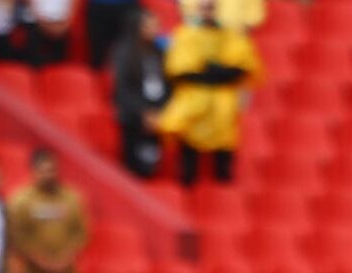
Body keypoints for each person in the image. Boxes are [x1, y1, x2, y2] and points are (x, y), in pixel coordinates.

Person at [159, 0, 262, 186]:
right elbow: (181, 70)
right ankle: (187, 190)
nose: (208, 12)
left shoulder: (229, 36)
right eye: (204, 7)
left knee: (224, 153)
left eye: (211, 7)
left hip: (222, 104)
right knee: (189, 153)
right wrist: (217, 72)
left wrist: (208, 70)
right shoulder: (186, 35)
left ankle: (223, 193)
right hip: (194, 101)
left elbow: (240, 67)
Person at [8, 150, 88, 273]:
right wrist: (46, 265)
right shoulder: (21, 201)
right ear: (33, 171)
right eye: (44, 170)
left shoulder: (72, 198)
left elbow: (80, 234)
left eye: (52, 170)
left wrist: (64, 262)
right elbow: (19, 239)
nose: (49, 175)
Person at [110, 8, 168, 177]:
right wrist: (143, 113)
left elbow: (167, 85)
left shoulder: (160, 53)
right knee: (132, 169)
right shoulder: (125, 53)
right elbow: (123, 89)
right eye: (149, 26)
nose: (154, 30)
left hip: (156, 118)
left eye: (156, 26)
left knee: (151, 165)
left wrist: (158, 112)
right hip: (133, 118)